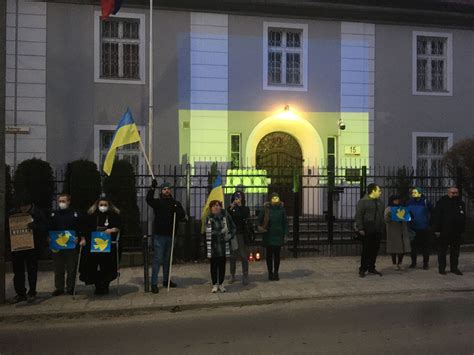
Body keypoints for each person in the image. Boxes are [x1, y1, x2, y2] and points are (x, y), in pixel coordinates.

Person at [146, 180, 186, 294]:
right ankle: (154, 283)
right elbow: (149, 200)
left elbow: (182, 215)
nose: (167, 190)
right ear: (161, 191)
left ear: (170, 190)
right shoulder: (158, 202)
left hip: (171, 234)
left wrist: (177, 211)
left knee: (168, 259)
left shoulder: (175, 203)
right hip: (159, 235)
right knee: (158, 259)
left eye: (168, 188)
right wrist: (152, 188)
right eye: (164, 189)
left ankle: (166, 280)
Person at [8, 196, 47, 303]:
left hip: (32, 248)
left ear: (31, 205)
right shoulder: (13, 213)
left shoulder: (38, 213)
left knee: (32, 271)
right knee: (18, 272)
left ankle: (32, 292)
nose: (24, 208)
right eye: (21, 206)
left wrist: (36, 227)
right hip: (17, 247)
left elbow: (44, 228)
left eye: (26, 206)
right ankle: (20, 293)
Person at [80, 197, 121, 295]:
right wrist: (83, 238)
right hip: (93, 246)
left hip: (108, 246)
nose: (103, 207)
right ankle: (97, 285)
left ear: (109, 205)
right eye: (101, 205)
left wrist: (112, 230)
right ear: (97, 205)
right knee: (92, 266)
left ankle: (105, 285)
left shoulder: (113, 215)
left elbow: (119, 227)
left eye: (105, 205)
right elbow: (84, 228)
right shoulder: (91, 216)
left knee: (107, 266)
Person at [48, 193, 86, 296]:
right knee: (58, 267)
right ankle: (59, 288)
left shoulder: (75, 214)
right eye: (60, 201)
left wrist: (80, 237)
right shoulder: (54, 214)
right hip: (57, 244)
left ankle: (70, 288)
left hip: (71, 244)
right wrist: (49, 238)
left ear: (69, 202)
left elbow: (80, 227)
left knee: (71, 267)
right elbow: (50, 228)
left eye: (63, 201)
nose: (61, 203)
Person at [434, 186, 466, 276]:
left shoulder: (461, 203)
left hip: (456, 232)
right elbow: (437, 217)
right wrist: (437, 230)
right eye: (453, 193)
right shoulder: (442, 202)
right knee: (442, 251)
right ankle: (442, 268)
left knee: (455, 251)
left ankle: (454, 268)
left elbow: (463, 217)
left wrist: (462, 229)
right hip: (444, 231)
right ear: (448, 193)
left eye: (456, 193)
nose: (455, 194)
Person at [205, 200, 236, 293]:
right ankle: (215, 284)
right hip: (213, 246)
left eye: (218, 205)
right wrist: (220, 232)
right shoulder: (209, 218)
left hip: (223, 245)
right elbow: (208, 232)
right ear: (211, 208)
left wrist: (230, 235)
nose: (216, 207)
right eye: (214, 206)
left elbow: (233, 227)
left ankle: (221, 284)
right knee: (214, 266)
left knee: (222, 265)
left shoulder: (225, 216)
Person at [355, 183, 384, 277]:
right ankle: (363, 269)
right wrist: (360, 228)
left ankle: (371, 267)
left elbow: (382, 215)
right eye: (379, 190)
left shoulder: (380, 202)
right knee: (366, 250)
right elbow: (359, 216)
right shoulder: (363, 202)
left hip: (377, 229)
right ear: (373, 191)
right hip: (367, 229)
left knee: (375, 249)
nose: (380, 192)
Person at [258, 192, 288, 281]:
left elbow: (285, 222)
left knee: (277, 255)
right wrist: (260, 227)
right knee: (269, 255)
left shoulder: (282, 210)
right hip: (269, 235)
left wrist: (286, 234)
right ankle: (270, 273)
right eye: (273, 198)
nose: (275, 200)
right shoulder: (266, 209)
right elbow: (259, 219)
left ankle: (276, 273)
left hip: (278, 235)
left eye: (276, 198)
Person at [406, 187, 434, 269]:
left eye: (415, 192)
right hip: (412, 228)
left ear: (420, 193)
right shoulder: (409, 202)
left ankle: (425, 263)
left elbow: (433, 212)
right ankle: (413, 263)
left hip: (423, 228)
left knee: (425, 247)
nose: (413, 194)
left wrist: (430, 223)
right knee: (413, 247)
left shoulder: (425, 202)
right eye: (412, 193)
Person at [227, 191, 251, 285]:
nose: (237, 199)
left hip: (241, 234)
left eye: (239, 197)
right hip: (233, 234)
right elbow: (227, 217)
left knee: (244, 256)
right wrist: (232, 207)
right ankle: (232, 274)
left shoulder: (244, 208)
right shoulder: (231, 208)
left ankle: (245, 275)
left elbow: (244, 216)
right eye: (236, 197)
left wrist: (240, 206)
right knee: (233, 256)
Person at [384, 195, 411, 271]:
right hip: (393, 230)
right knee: (394, 248)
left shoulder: (401, 208)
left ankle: (399, 263)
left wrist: (408, 215)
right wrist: (390, 215)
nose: (397, 201)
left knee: (402, 248)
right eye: (395, 200)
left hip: (402, 230)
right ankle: (394, 263)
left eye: (398, 200)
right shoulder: (388, 209)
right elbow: (386, 219)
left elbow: (407, 218)